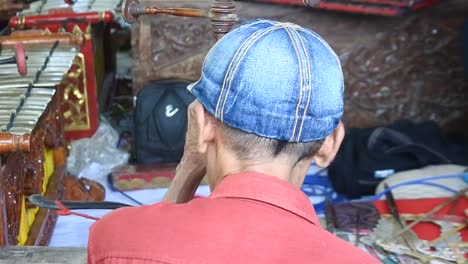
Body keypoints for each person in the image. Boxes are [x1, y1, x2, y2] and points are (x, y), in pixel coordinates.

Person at [88, 19, 379, 264]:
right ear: (331, 144)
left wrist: (189, 164)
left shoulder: (115, 238)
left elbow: (153, 237)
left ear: (200, 125)